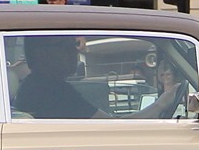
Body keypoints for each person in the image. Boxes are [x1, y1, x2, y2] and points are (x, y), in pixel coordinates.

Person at [15, 36, 182, 120]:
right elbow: (112, 129)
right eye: (67, 47)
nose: (75, 51)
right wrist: (161, 103)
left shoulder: (37, 85)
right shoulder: (52, 91)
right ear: (42, 53)